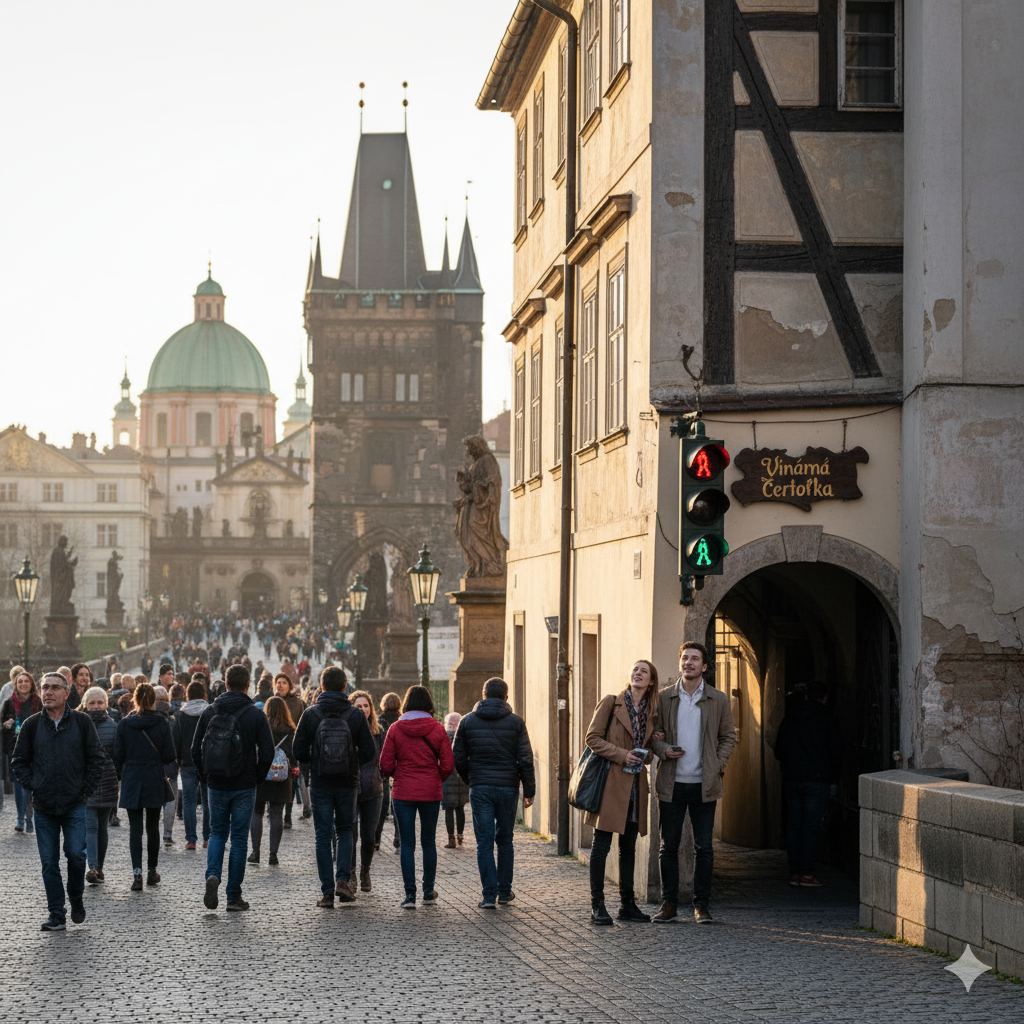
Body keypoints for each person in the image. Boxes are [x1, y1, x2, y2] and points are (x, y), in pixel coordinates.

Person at [10, 671, 106, 930]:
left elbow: (97, 759)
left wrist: (85, 789)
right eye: (44, 688)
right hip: (44, 806)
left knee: (76, 856)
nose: (48, 693)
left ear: (66, 693)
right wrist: (34, 784)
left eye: (54, 688)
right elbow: (18, 761)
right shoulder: (31, 725)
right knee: (49, 862)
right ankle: (57, 913)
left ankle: (75, 897)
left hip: (75, 803)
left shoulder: (82, 722)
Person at [649, 641, 736, 924]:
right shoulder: (664, 698)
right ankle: (668, 904)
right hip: (672, 783)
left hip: (704, 784)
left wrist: (716, 764)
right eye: (685, 658)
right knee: (668, 847)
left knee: (704, 848)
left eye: (694, 659)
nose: (689, 663)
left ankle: (701, 905)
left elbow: (728, 737)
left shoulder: (718, 699)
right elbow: (654, 735)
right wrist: (664, 751)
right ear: (680, 663)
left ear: (705, 666)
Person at [191, 664, 275, 912]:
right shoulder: (255, 715)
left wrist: (205, 777)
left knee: (217, 833)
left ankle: (212, 875)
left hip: (216, 782)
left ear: (225, 684)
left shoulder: (210, 711)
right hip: (244, 783)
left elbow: (195, 750)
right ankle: (233, 896)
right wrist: (257, 777)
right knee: (239, 839)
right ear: (248, 685)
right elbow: (268, 752)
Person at [582, 661, 660, 925]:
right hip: (610, 783)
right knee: (601, 846)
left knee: (628, 847)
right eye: (635, 669)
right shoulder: (611, 702)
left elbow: (648, 750)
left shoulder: (651, 712)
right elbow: (592, 738)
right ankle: (597, 906)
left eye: (644, 671)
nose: (638, 673)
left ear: (651, 681)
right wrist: (622, 755)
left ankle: (627, 905)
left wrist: (644, 754)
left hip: (636, 787)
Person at [292, 667, 376, 908]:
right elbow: (369, 752)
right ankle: (343, 881)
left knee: (322, 834)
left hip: (320, 782)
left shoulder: (311, 714)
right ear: (345, 685)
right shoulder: (355, 715)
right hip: (348, 782)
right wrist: (351, 760)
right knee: (345, 830)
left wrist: (318, 760)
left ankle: (327, 892)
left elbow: (298, 752)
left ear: (322, 685)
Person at [452, 678, 534, 910]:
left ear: (483, 695)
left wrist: (472, 780)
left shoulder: (467, 721)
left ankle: (489, 896)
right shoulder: (516, 722)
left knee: (484, 842)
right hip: (508, 787)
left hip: (481, 788)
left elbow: (457, 757)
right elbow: (525, 759)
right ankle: (505, 892)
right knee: (505, 839)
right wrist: (529, 790)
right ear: (506, 697)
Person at [379, 685, 454, 909]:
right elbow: (449, 764)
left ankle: (409, 895)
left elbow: (384, 764)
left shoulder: (395, 728)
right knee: (429, 842)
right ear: (429, 704)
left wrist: (398, 774)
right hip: (430, 791)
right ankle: (428, 891)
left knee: (407, 844)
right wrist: (435, 776)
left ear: (407, 704)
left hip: (403, 791)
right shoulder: (438, 729)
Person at [774, 680, 843, 887]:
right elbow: (836, 751)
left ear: (806, 696)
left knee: (794, 825)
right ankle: (806, 872)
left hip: (793, 779)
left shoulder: (790, 718)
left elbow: (779, 750)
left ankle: (794, 873)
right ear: (824, 698)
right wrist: (833, 776)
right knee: (811, 826)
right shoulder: (827, 719)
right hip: (817, 780)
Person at [113, 681, 175, 891]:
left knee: (135, 830)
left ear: (135, 700)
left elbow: (118, 755)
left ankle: (136, 874)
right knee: (152, 828)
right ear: (154, 701)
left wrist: (125, 771)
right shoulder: (163, 723)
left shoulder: (124, 724)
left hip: (132, 776)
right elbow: (169, 755)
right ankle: (151, 871)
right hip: (154, 776)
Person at [247, 695, 296, 866]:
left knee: (257, 812)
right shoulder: (290, 730)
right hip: (281, 776)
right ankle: (273, 855)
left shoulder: (261, 726)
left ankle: (255, 852)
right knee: (276, 814)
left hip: (261, 772)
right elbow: (292, 753)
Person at [81, 686, 119, 884]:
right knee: (91, 827)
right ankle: (93, 867)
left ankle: (99, 867)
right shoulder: (78, 725)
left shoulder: (114, 727)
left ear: (106, 704)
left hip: (108, 782)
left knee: (102, 828)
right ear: (86, 705)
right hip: (86, 784)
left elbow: (118, 756)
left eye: (100, 703)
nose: (96, 707)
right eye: (92, 703)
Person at [349, 690, 384, 892]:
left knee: (369, 835)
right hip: (352, 788)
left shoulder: (379, 731)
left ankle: (365, 871)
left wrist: (380, 775)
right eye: (358, 706)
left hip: (373, 788)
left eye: (365, 706)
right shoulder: (348, 729)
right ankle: (352, 873)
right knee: (351, 833)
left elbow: (386, 758)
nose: (363, 709)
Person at [2, 670, 41, 833]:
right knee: (18, 784)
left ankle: (30, 815)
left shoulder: (38, 702)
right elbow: (1, 724)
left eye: (26, 681)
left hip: (35, 748)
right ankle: (20, 817)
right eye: (20, 682)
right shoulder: (9, 703)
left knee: (31, 784)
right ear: (16, 685)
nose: (23, 684)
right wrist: (5, 725)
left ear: (31, 684)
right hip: (15, 748)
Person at [174, 678, 210, 850]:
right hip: (207, 762)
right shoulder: (210, 712)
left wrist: (179, 759)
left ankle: (191, 839)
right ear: (204, 694)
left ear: (187, 695)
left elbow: (177, 740)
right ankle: (208, 838)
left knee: (188, 801)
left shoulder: (181, 715)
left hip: (187, 762)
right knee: (207, 800)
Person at [375, 692, 402, 850]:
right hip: (400, 766)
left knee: (381, 806)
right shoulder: (402, 720)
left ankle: (376, 839)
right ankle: (398, 838)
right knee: (398, 805)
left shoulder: (379, 720)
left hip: (383, 765)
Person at [153, 685, 179, 846]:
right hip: (170, 764)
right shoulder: (173, 720)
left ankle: (153, 831)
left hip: (152, 766)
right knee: (170, 800)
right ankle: (167, 834)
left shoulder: (147, 718)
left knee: (154, 801)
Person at [441, 712, 469, 849]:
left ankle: (451, 838)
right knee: (460, 808)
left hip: (447, 779)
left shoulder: (443, 738)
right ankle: (460, 835)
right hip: (461, 778)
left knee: (448, 809)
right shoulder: (464, 737)